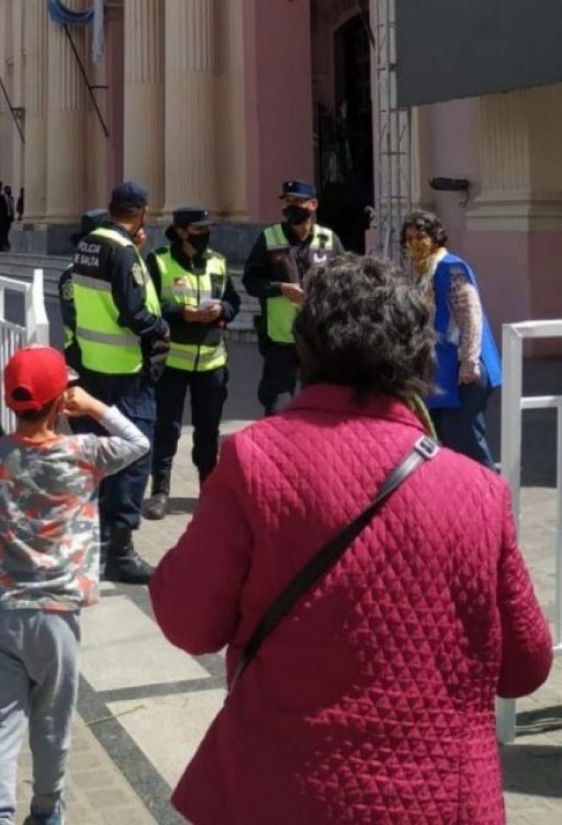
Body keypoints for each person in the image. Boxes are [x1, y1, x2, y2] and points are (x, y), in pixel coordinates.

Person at [149, 255, 552, 825]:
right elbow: (526, 666)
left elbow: (187, 620)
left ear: (308, 348)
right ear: (416, 358)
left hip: (284, 791)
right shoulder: (479, 491)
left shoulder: (254, 459)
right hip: (440, 799)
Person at [0, 346, 150, 825]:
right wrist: (97, 408)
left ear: (10, 401)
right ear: (63, 399)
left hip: (1, 612)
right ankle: (46, 811)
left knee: (1, 726)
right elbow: (139, 442)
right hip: (58, 617)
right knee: (51, 724)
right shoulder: (85, 454)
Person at [70, 181, 170, 584]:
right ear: (142, 213)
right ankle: (121, 551)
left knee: (100, 457)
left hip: (93, 365)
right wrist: (160, 327)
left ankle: (99, 544)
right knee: (133, 457)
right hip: (126, 370)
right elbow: (132, 310)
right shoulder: (122, 251)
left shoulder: (89, 243)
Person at [143, 208, 240, 520]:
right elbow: (150, 306)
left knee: (208, 430)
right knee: (167, 428)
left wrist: (222, 309)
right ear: (182, 231)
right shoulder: (159, 261)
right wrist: (181, 314)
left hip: (212, 362)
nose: (204, 234)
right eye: (198, 229)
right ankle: (160, 491)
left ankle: (208, 489)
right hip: (172, 360)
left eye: (206, 229)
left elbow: (233, 301)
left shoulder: (217, 261)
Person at [401, 210, 502, 469]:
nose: (415, 244)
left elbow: (471, 316)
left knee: (465, 440)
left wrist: (469, 362)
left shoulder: (451, 267)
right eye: (409, 239)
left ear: (435, 238)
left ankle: (489, 497)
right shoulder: (422, 274)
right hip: (441, 371)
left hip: (465, 370)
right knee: (443, 440)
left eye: (420, 237)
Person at [243, 179, 345, 416]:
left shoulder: (328, 239)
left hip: (319, 338)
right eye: (287, 202)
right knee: (278, 407)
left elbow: (346, 281)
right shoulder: (269, 238)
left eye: (297, 202)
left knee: (322, 406)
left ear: (313, 204)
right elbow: (251, 281)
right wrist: (280, 288)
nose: (291, 207)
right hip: (281, 339)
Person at [58, 209, 107, 373]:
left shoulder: (106, 271)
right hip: (81, 352)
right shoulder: (71, 274)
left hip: (105, 354)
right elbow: (72, 315)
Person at [2, 185, 15, 251]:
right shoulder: (2, 198)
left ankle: (6, 244)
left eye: (9, 190)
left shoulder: (11, 198)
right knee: (4, 232)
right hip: (4, 217)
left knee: (6, 231)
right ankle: (6, 244)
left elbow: (12, 208)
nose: (9, 191)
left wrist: (13, 216)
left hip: (9, 217)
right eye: (7, 190)